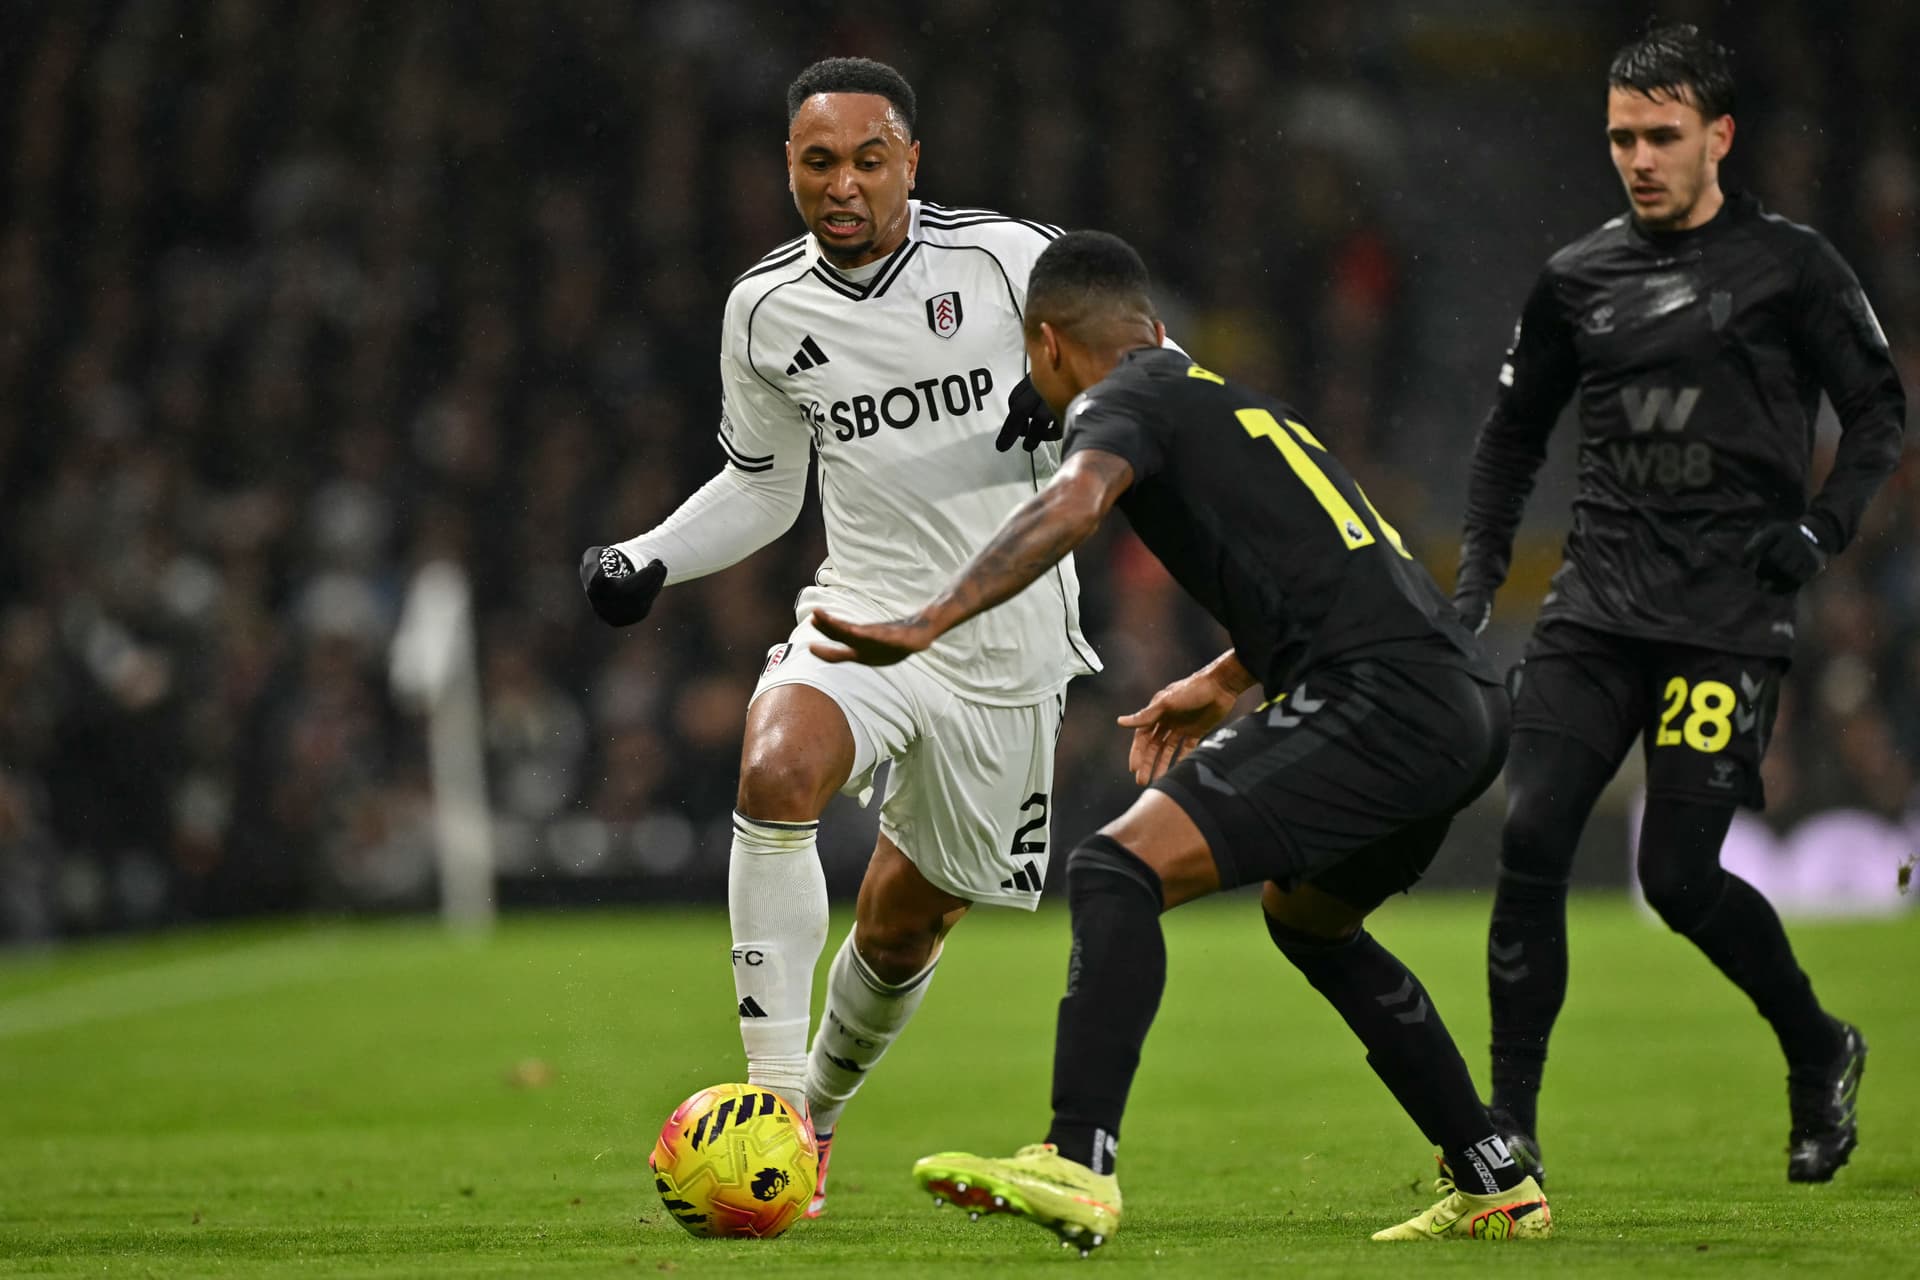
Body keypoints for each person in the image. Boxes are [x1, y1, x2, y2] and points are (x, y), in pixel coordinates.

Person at [811, 230, 1551, 1250]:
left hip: (1383, 699)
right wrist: (1229, 674)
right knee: (1312, 923)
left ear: (1049, 343)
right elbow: (1340, 555)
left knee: (1115, 866)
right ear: (1152, 324)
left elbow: (1073, 503)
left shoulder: (1123, 399)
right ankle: (1493, 1175)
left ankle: (1077, 1157)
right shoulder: (1228, 398)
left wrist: (930, 617)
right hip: (1458, 698)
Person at [577, 57, 1110, 1219]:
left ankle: (810, 1116)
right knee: (776, 767)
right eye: (820, 162)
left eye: (871, 160)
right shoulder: (765, 310)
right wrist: (650, 556)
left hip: (1007, 648)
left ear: (912, 163)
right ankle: (768, 1106)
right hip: (861, 616)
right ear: (789, 168)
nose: (845, 184)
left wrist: (1083, 398)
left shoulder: (1013, 261)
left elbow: (1149, 363)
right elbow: (764, 488)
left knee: (908, 918)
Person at [1453, 24, 1904, 1186]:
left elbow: (1879, 415)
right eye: (1620, 137)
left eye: (1661, 135)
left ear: (1720, 135)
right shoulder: (1576, 278)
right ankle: (1508, 1130)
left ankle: (1818, 1045)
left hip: (1724, 618)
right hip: (1596, 605)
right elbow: (1512, 438)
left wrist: (1820, 528)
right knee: (1535, 834)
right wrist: (1476, 572)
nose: (1638, 158)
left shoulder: (1794, 268)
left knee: (1682, 878)